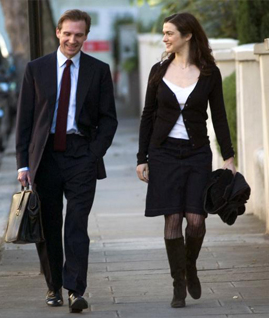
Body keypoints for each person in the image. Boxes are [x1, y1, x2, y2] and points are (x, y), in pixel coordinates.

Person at [16, 9, 117, 313]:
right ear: (58, 32)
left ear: (86, 36)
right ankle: (53, 285)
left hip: (80, 156)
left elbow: (108, 119)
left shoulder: (98, 70)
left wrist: (93, 154)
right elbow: (25, 120)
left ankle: (75, 289)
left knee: (76, 224)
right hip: (44, 157)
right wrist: (23, 164)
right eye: (68, 33)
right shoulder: (37, 69)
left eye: (79, 34)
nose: (73, 40)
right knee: (48, 225)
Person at [136, 12, 236, 308]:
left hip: (196, 153)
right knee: (173, 219)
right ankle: (178, 283)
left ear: (188, 35)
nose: (164, 38)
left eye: (169, 33)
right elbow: (147, 116)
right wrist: (143, 158)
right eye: (164, 33)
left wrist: (228, 157)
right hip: (164, 153)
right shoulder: (158, 71)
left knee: (195, 220)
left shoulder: (209, 73)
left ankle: (189, 264)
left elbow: (219, 117)